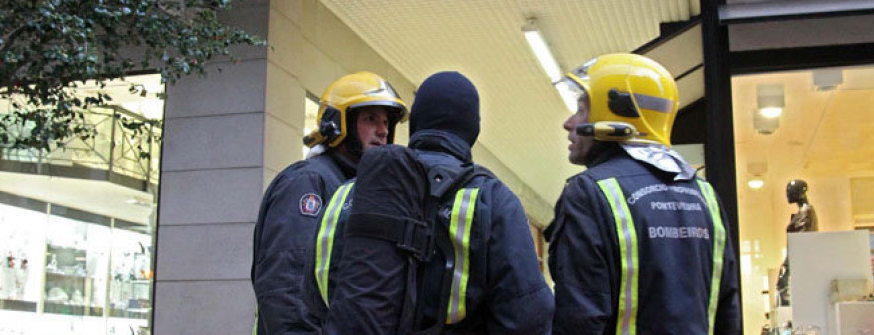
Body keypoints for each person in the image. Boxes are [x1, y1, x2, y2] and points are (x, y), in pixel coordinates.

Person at [311, 71, 554, 334]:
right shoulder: (491, 199)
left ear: (416, 122)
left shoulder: (345, 195)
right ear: (472, 129)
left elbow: (314, 296)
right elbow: (528, 316)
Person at [545, 53, 741, 334]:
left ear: (615, 113)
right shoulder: (706, 196)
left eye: (581, 110)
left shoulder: (589, 193)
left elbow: (580, 320)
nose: (569, 122)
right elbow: (727, 313)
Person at [251, 71, 408, 334]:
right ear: (338, 124)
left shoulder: (355, 189)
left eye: (386, 122)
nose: (382, 131)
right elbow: (287, 288)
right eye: (370, 119)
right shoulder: (309, 182)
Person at [775, 179, 818, 306]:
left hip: (798, 261)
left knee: (784, 288)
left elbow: (801, 243)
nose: (788, 194)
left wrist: (789, 263)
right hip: (795, 260)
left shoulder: (806, 212)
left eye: (790, 191)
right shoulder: (803, 212)